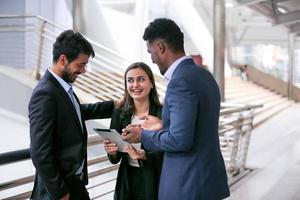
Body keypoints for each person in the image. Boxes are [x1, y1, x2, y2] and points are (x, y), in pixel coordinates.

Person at [122, 18, 230, 200]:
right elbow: (197, 127)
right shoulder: (204, 76)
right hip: (209, 180)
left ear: (161, 47)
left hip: (187, 185)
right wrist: (163, 125)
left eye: (151, 52)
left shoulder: (180, 82)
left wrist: (143, 135)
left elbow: (180, 140)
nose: (152, 59)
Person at [28, 30, 117, 200]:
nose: (83, 71)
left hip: (75, 185)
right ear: (63, 60)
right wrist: (60, 192)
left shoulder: (62, 87)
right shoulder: (45, 93)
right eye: (80, 65)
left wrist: (113, 105)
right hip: (59, 191)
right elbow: (39, 152)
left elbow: (76, 112)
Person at [104, 62, 163, 200]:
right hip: (127, 180)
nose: (135, 85)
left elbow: (168, 152)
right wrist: (112, 152)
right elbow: (115, 159)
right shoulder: (119, 113)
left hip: (154, 180)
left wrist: (144, 156)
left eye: (141, 79)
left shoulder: (162, 115)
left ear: (151, 84)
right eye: (130, 80)